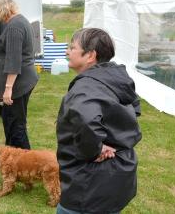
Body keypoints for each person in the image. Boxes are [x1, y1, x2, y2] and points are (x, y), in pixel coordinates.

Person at [56, 28, 142, 214]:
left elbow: (87, 120)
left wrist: (95, 149)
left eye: (72, 48)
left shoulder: (86, 87)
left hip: (88, 185)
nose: (67, 51)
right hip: (118, 176)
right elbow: (134, 107)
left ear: (90, 56)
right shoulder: (115, 78)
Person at [0, 0, 39, 150]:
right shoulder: (21, 21)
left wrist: (8, 88)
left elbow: (14, 60)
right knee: (10, 122)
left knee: (16, 126)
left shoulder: (14, 27)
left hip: (18, 85)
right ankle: (12, 160)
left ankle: (27, 162)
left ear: (3, 9)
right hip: (23, 80)